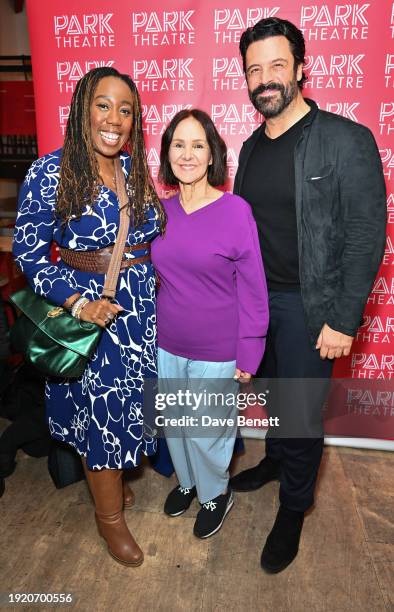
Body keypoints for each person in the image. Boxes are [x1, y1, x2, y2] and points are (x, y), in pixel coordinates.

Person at [230, 17, 387, 573]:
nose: (265, 78)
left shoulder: (347, 140)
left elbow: (368, 234)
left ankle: (295, 507)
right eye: (255, 69)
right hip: (256, 305)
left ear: (301, 68)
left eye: (277, 65)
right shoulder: (249, 148)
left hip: (309, 307)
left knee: (299, 416)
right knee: (274, 400)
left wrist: (343, 318)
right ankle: (275, 462)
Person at [13, 67, 166, 566]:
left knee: (129, 411)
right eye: (103, 105)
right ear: (82, 108)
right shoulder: (50, 170)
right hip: (89, 311)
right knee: (99, 418)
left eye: (125, 110)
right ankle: (109, 521)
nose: (114, 119)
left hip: (138, 312)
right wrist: (78, 303)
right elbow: (30, 253)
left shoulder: (133, 168)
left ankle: (114, 485)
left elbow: (148, 239)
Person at [151, 109, 269, 539]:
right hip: (166, 343)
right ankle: (187, 482)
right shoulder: (159, 213)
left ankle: (216, 493)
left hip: (218, 348)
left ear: (212, 153)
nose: (187, 154)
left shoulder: (235, 211)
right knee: (177, 426)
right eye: (178, 145)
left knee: (207, 431)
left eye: (197, 145)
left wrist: (250, 348)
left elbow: (254, 288)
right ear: (167, 154)